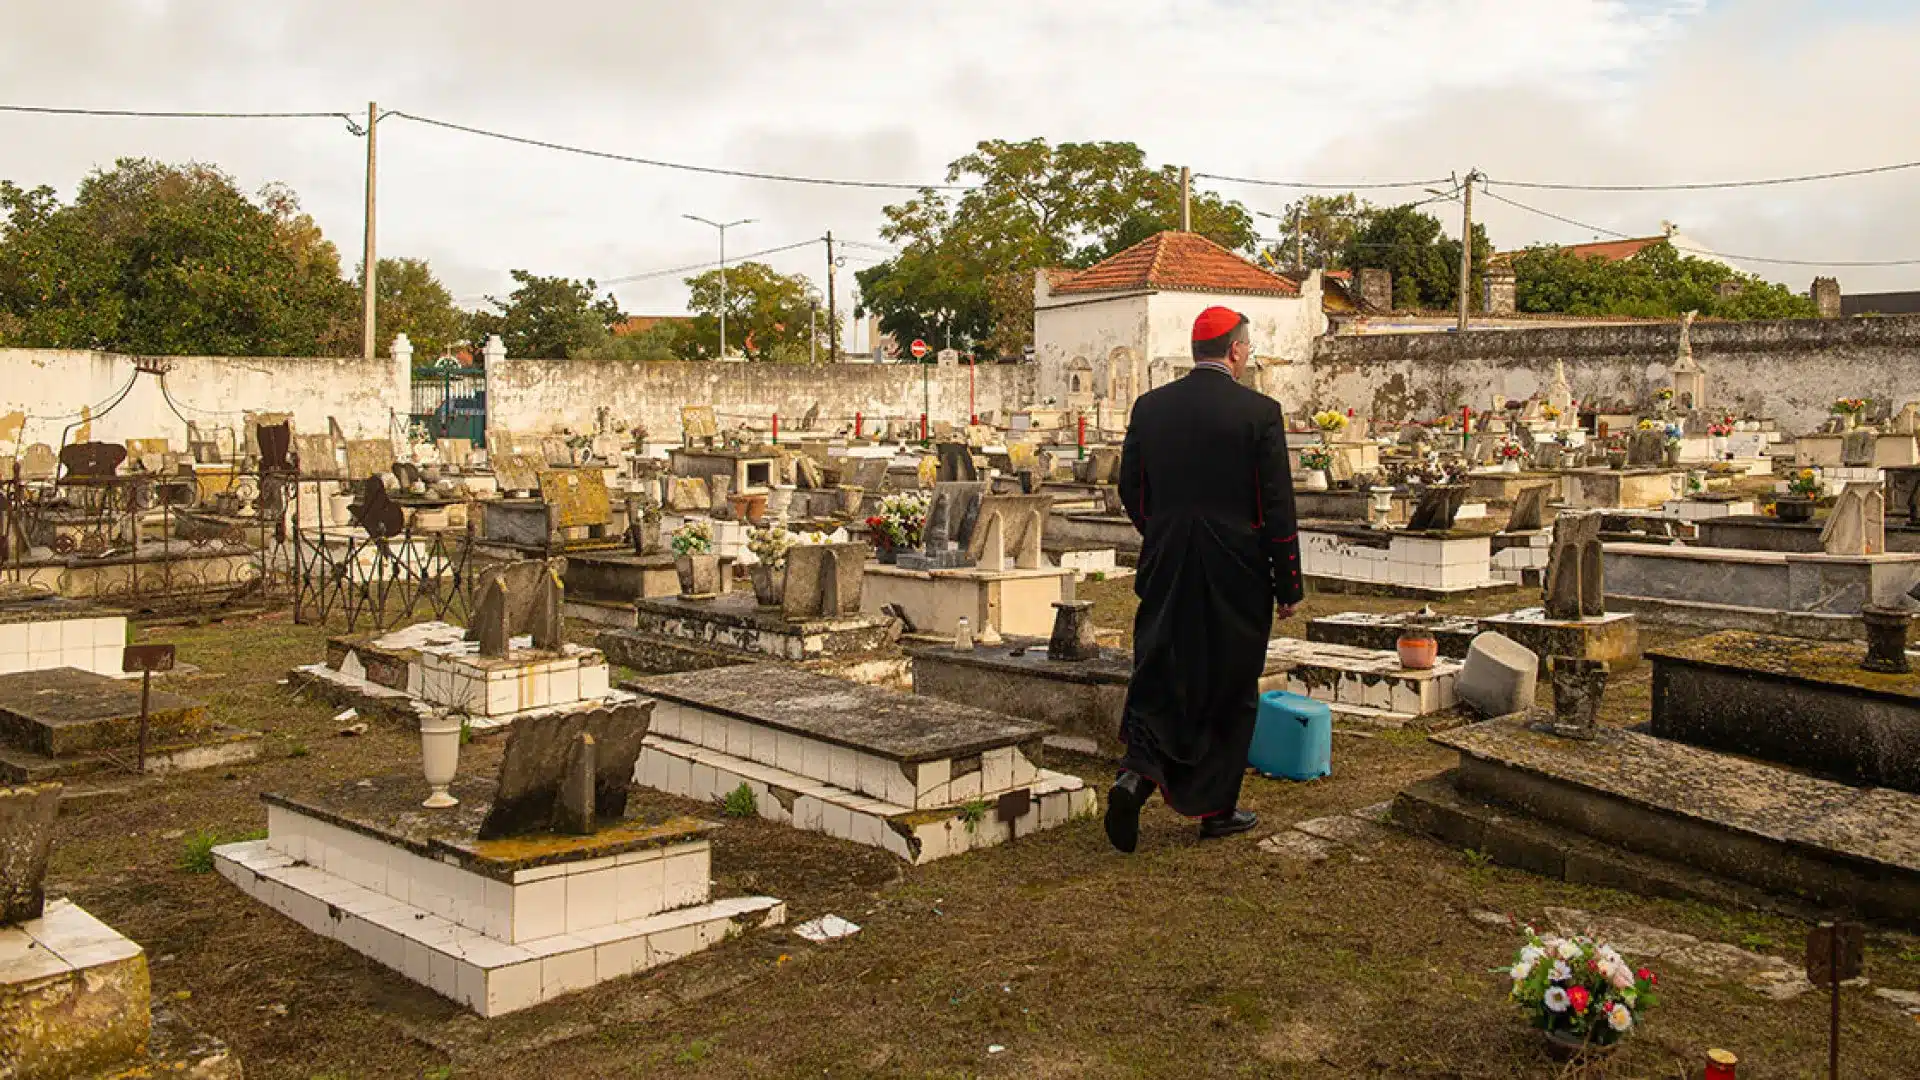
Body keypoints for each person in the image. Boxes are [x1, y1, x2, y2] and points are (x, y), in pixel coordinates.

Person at [1105, 306, 1303, 852]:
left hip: (1168, 563)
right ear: (1236, 351)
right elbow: (1276, 506)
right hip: (1235, 570)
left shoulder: (1151, 407)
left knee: (1161, 669)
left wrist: (1163, 530)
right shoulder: (1259, 412)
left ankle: (1135, 776)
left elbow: (1131, 488)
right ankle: (1218, 808)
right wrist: (1287, 584)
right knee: (1230, 684)